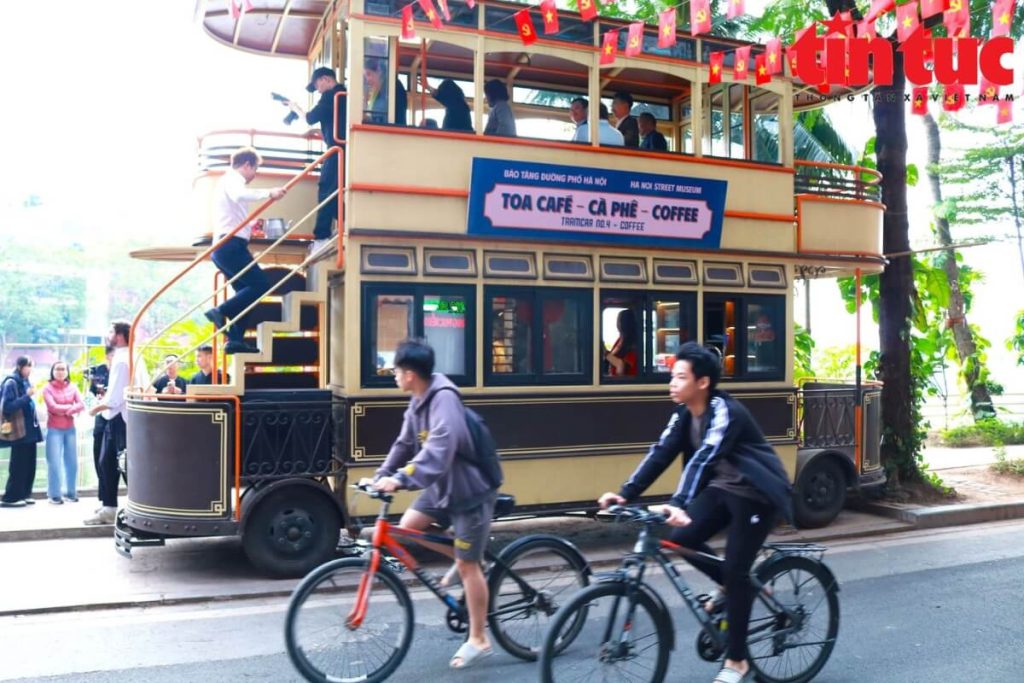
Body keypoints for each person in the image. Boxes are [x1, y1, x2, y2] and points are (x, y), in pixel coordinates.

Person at [597, 342, 792, 683]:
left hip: (756, 495)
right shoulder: (684, 414)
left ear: (702, 382)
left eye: (680, 377)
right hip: (722, 489)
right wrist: (625, 494)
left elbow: (705, 456)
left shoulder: (724, 412)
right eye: (672, 376)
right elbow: (660, 453)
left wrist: (679, 503)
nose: (672, 383)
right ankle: (739, 585)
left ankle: (737, 661)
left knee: (735, 571)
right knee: (681, 539)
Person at [360, 339, 497, 670]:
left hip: (468, 491)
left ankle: (479, 637)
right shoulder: (418, 400)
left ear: (409, 374)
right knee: (407, 528)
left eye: (395, 370)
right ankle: (469, 556)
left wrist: (403, 478)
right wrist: (381, 476)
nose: (392, 375)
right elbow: (405, 443)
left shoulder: (444, 399)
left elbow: (440, 447)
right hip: (441, 487)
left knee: (467, 567)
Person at [204, 147, 286, 355]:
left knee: (246, 294)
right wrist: (270, 193)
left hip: (224, 246)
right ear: (247, 164)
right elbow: (240, 195)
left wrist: (250, 226)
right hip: (230, 245)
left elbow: (235, 207)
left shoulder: (226, 181)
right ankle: (220, 311)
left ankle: (235, 340)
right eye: (255, 169)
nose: (254, 175)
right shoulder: (233, 179)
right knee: (260, 284)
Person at [85, 321, 148, 525]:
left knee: (119, 464)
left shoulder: (122, 360)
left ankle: (134, 507)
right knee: (112, 462)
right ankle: (112, 507)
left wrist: (95, 408)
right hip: (124, 417)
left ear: (120, 335)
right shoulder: (133, 355)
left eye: (111, 331)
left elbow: (115, 398)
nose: (108, 334)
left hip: (120, 418)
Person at [286, 66, 347, 256]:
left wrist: (295, 108)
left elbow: (312, 117)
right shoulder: (344, 95)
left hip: (337, 150)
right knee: (335, 195)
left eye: (317, 85)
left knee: (326, 191)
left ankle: (321, 237)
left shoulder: (332, 96)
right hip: (344, 148)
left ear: (326, 79)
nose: (318, 90)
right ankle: (348, 224)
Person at [1, 357, 43, 508]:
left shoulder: (25, 381)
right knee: (18, 463)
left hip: (29, 429)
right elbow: (7, 406)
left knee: (29, 463)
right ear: (20, 366)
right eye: (28, 367)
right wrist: (27, 396)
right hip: (19, 430)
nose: (30, 370)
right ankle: (11, 497)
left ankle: (25, 493)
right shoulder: (11, 382)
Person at [42, 361, 85, 505]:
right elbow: (52, 407)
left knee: (72, 462)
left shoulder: (73, 387)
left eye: (63, 369)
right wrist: (70, 408)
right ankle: (54, 495)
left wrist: (70, 410)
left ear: (67, 371)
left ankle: (71, 493)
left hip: (70, 429)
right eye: (57, 369)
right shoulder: (47, 389)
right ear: (52, 371)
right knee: (54, 462)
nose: (60, 371)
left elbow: (81, 404)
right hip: (54, 429)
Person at [87, 347, 113, 507]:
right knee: (99, 457)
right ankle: (104, 498)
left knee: (114, 460)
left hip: (116, 417)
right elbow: (92, 392)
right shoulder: (98, 370)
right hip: (101, 417)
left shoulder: (123, 369)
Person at [364, 57, 408, 126]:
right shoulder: (377, 92)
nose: (367, 80)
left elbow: (383, 119)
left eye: (369, 74)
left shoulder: (392, 86)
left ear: (379, 71)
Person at [604, 308, 639, 377]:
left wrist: (604, 352)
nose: (617, 323)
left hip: (627, 383)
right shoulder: (619, 340)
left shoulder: (634, 344)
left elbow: (621, 366)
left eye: (619, 320)